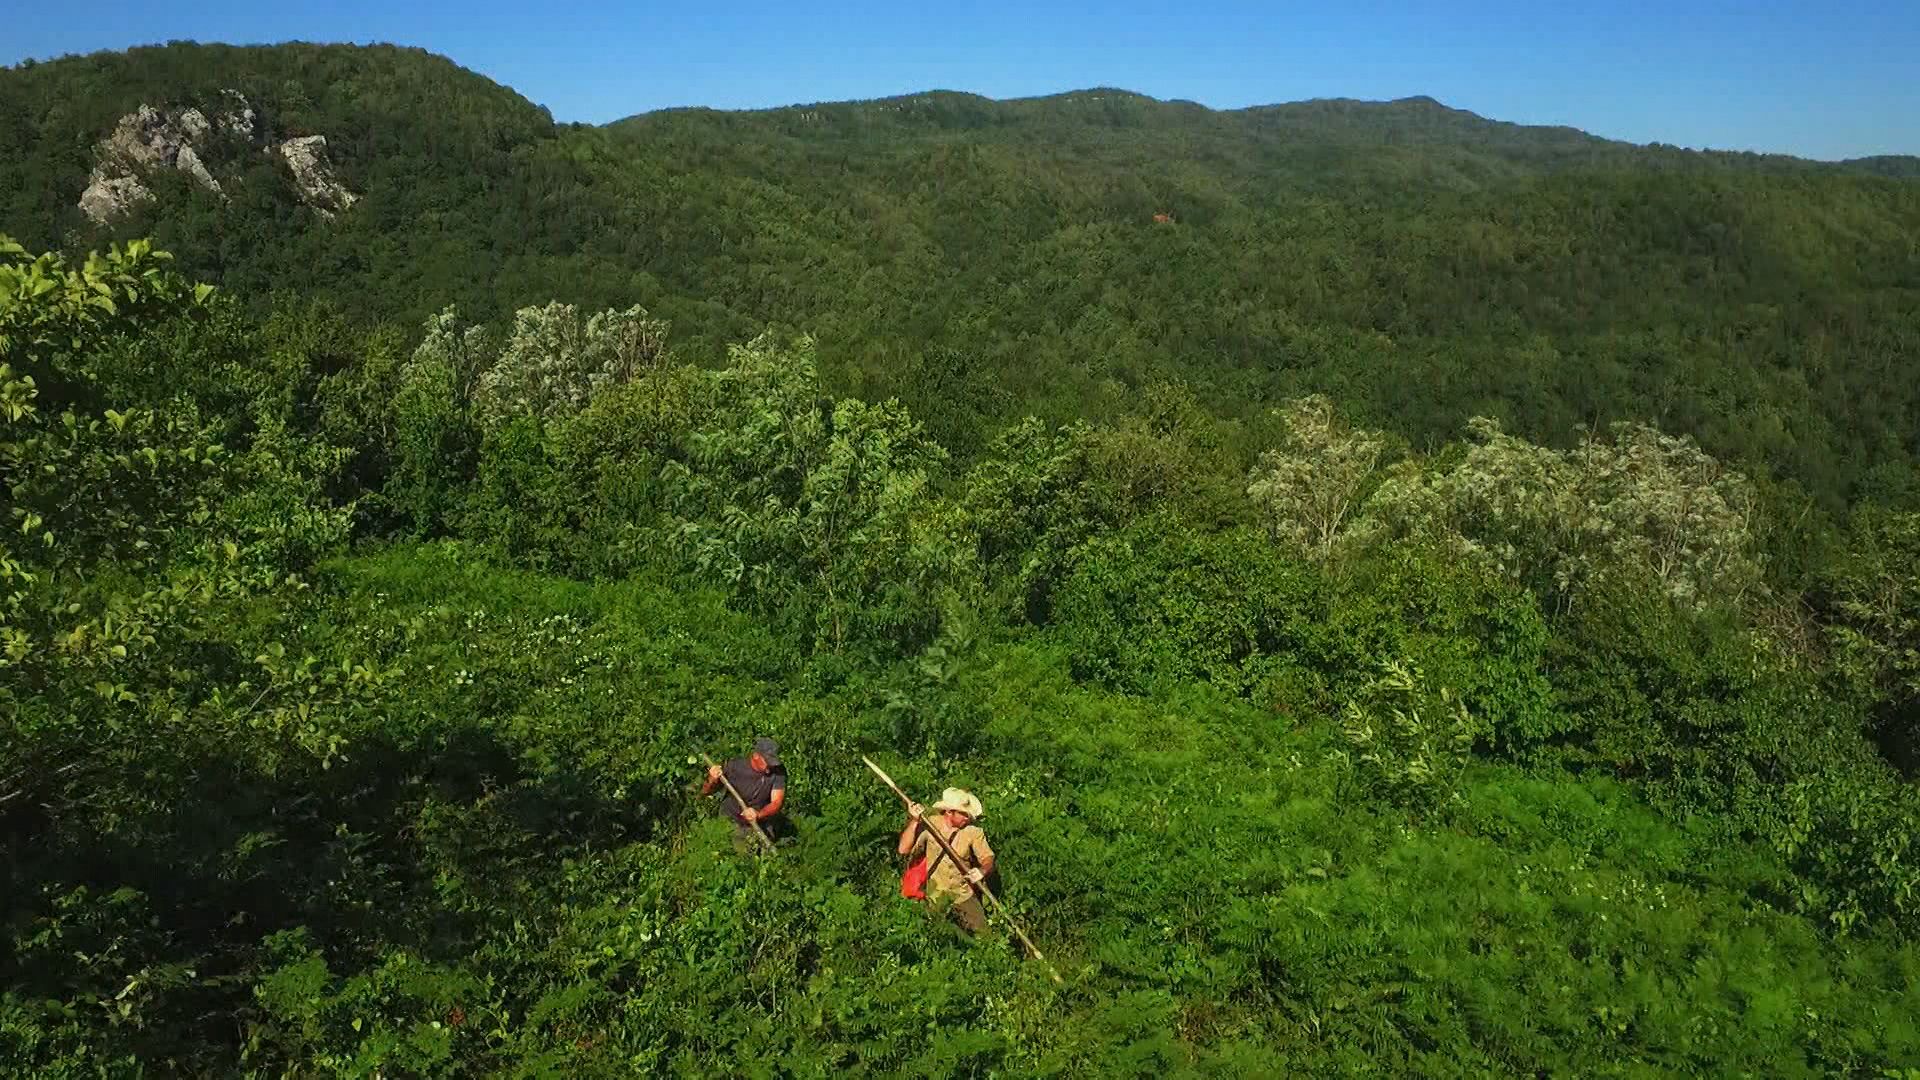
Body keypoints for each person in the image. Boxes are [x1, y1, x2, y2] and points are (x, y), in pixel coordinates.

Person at [896, 787, 994, 935]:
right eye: (963, 814)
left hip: (962, 893)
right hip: (936, 894)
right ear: (949, 812)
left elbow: (987, 857)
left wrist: (982, 870)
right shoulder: (930, 825)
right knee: (936, 935)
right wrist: (915, 820)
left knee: (985, 935)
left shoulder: (973, 832)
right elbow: (903, 849)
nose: (967, 818)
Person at [701, 737, 786, 851]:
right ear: (756, 756)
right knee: (740, 853)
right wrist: (712, 779)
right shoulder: (734, 767)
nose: (771, 767)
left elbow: (777, 802)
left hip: (759, 820)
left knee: (764, 852)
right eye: (768, 762)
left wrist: (759, 814)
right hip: (731, 820)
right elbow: (706, 791)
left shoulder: (778, 772)